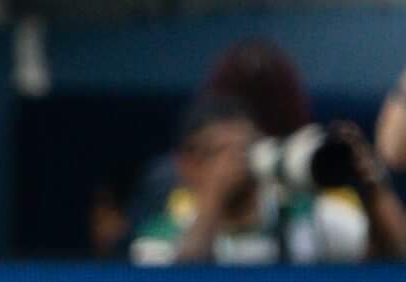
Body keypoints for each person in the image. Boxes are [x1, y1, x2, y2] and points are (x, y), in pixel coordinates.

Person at [128, 97, 403, 264]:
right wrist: (214, 202)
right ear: (188, 165)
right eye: (221, 153)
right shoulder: (161, 237)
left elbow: (396, 261)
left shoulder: (309, 219)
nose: (238, 164)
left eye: (247, 149)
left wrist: (374, 194)